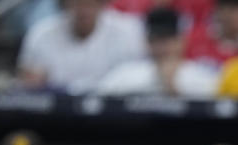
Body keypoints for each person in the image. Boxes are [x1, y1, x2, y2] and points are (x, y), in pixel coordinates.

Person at [17, 0, 147, 94]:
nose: (83, 10)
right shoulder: (41, 34)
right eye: (76, 3)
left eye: (89, 3)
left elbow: (142, 77)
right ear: (64, 4)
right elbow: (29, 86)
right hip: (59, 116)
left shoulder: (130, 31)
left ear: (102, 4)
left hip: (117, 114)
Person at [96, 7, 220, 97]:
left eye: (167, 39)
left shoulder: (201, 76)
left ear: (181, 41)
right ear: (147, 42)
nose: (162, 47)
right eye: (156, 40)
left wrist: (173, 88)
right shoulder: (124, 74)